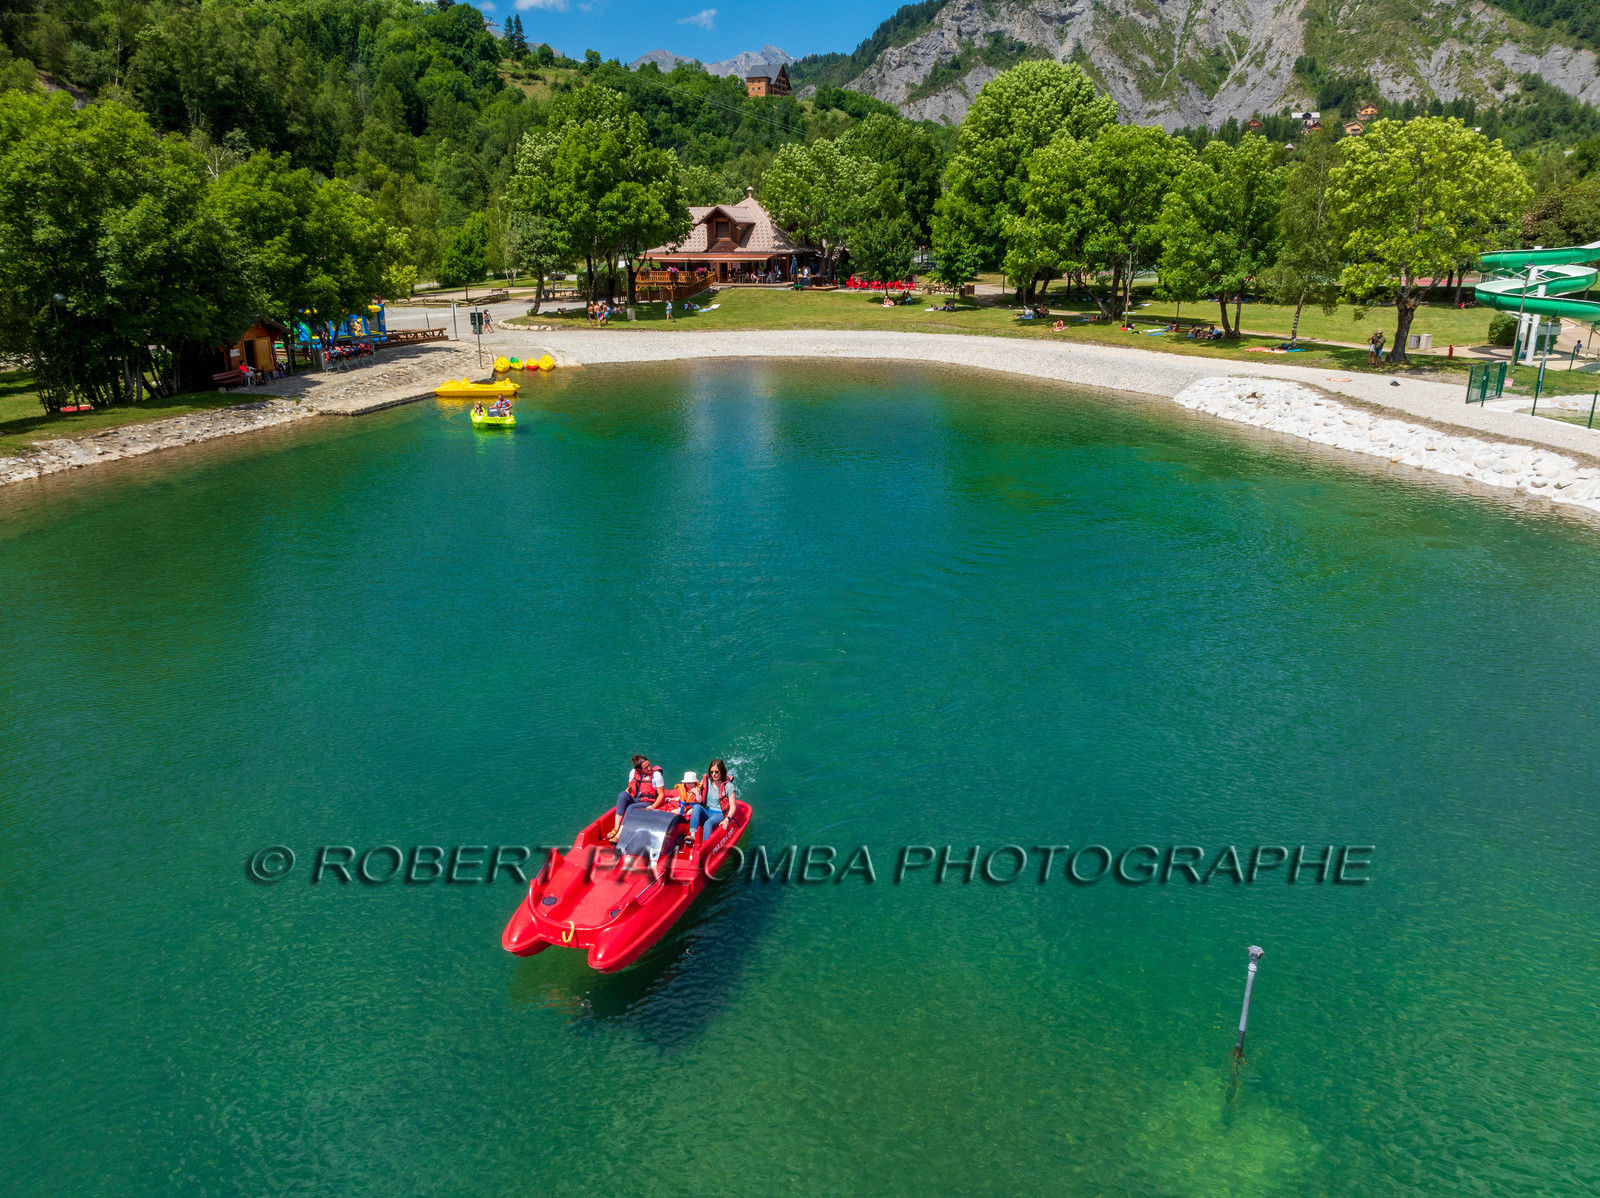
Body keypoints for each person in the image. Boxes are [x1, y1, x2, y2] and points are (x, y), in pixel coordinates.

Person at [683, 758, 737, 845]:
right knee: (696, 807)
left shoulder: (728, 786)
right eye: (711, 772)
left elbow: (733, 806)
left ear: (722, 771)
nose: (713, 774)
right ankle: (692, 835)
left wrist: (727, 819)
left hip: (719, 814)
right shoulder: (707, 782)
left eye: (716, 772)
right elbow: (694, 788)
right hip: (706, 811)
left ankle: (705, 846)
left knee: (708, 823)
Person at [612, 755, 665, 839]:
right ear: (639, 769)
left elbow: (661, 794)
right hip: (636, 799)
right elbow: (630, 787)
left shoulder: (656, 775)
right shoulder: (633, 772)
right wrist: (623, 798)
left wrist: (653, 806)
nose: (649, 768)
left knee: (631, 807)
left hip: (647, 802)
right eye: (645, 768)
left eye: (649, 765)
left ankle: (620, 833)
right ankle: (615, 828)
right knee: (622, 795)